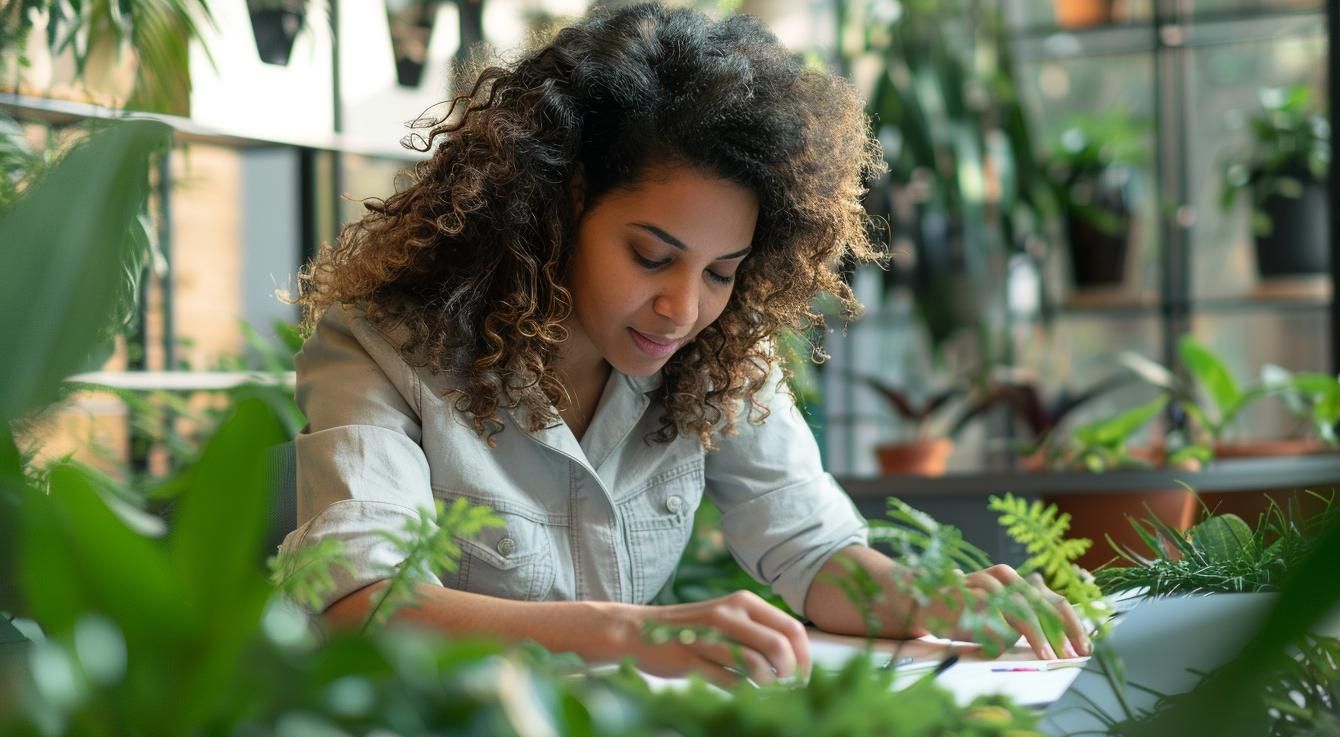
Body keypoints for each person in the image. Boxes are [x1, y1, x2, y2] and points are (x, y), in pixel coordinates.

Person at [282, 2, 1089, 686]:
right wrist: (634, 633)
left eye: (722, 272)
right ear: (556, 208)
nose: (683, 307)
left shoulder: (717, 355)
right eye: (652, 256)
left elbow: (813, 550)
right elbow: (361, 604)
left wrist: (935, 600)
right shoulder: (382, 350)